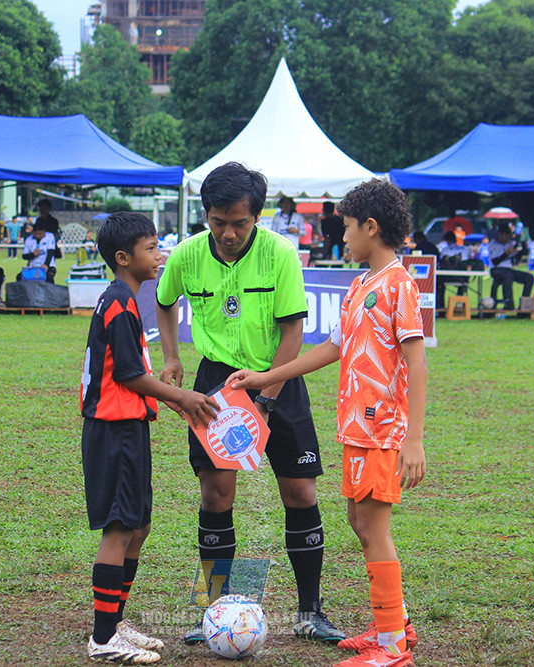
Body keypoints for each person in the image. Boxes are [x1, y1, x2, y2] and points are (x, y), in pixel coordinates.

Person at [227, 178, 425, 667]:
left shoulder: (399, 285)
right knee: (360, 522)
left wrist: (414, 439)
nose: (343, 237)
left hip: (382, 430)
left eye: (348, 228)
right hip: (355, 428)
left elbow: (416, 364)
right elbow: (333, 349)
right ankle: (392, 625)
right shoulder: (360, 285)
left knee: (374, 529)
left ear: (372, 228)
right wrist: (267, 375)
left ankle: (392, 647)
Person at [154, 162, 344, 645]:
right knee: (216, 495)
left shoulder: (280, 253)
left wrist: (265, 398)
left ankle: (309, 612)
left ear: (256, 216)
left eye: (240, 222)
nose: (229, 232)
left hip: (279, 377)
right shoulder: (190, 254)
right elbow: (164, 297)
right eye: (219, 221)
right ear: (207, 215)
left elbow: (293, 331)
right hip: (217, 385)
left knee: (300, 493)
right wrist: (172, 356)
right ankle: (210, 612)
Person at [81, 211, 219, 664]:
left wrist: (176, 401)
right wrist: (183, 396)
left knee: (138, 526)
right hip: (113, 430)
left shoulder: (127, 300)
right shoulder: (119, 303)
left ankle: (114, 621)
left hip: (131, 426)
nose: (160, 256)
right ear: (123, 258)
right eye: (150, 248)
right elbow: (129, 374)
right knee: (120, 528)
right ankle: (103, 639)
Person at [488, 223, 534, 310]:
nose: (507, 238)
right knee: (507, 275)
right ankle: (508, 302)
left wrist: (523, 244)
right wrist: (506, 253)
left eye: (509, 236)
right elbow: (495, 261)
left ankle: (524, 303)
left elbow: (518, 257)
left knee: (529, 278)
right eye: (505, 236)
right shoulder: (493, 245)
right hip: (496, 269)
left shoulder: (510, 244)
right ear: (500, 235)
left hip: (508, 269)